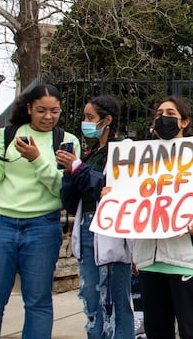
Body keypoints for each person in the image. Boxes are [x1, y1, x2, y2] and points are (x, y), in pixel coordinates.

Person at [0, 84, 81, 339]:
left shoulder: (66, 141)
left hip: (42, 227)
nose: (48, 117)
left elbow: (61, 190)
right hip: (0, 224)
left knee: (38, 302)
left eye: (54, 111)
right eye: (41, 110)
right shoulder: (7, 135)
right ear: (29, 108)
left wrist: (37, 159)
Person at [129, 95, 193, 339]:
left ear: (184, 122)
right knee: (157, 331)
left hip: (185, 260)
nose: (163, 119)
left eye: (170, 114)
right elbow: (131, 203)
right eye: (159, 114)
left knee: (191, 330)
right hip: (149, 260)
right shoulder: (140, 160)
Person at [57, 95, 134, 339]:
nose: (85, 122)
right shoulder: (92, 153)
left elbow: (109, 187)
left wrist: (79, 168)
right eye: (84, 117)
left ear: (107, 120)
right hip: (86, 225)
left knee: (114, 297)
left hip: (110, 230)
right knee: (90, 294)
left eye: (90, 117)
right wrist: (70, 173)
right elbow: (71, 201)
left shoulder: (123, 149)